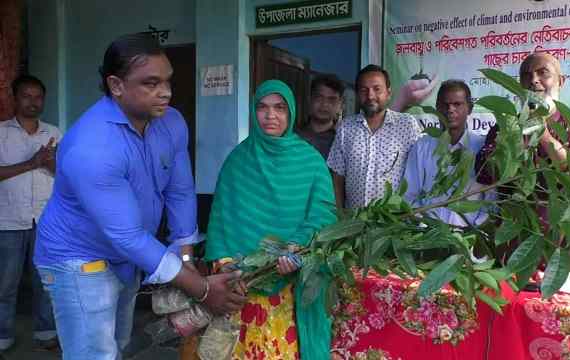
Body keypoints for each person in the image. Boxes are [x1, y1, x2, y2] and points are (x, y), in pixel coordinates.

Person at [33, 34, 246, 359]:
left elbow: (180, 190)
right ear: (116, 85)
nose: (166, 92)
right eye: (151, 83)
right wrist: (202, 290)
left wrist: (186, 260)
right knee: (94, 354)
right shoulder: (92, 147)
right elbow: (128, 235)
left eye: (167, 81)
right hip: (77, 257)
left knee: (117, 347)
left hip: (127, 255)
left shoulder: (170, 122)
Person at [205, 80, 336, 360]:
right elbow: (220, 220)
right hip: (242, 288)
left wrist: (295, 247)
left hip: (291, 286)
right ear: (254, 112)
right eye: (262, 108)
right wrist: (227, 268)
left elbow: (323, 214)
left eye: (279, 108)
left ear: (290, 114)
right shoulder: (237, 161)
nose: (270, 115)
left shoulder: (311, 161)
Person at [475, 52, 570, 277]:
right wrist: (513, 141)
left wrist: (544, 135)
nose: (533, 80)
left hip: (564, 246)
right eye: (526, 76)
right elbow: (484, 174)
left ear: (560, 81)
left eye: (542, 73)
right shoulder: (504, 127)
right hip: (515, 243)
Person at [0, 75, 59, 352]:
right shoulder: (1, 133)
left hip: (46, 220)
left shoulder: (55, 133)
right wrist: (32, 163)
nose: (33, 102)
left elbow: (68, 175)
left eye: (38, 97)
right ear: (15, 98)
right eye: (27, 96)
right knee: (5, 285)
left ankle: (46, 332)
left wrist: (51, 165)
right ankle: (3, 336)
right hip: (7, 221)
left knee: (46, 281)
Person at [327, 64, 432, 208]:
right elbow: (337, 177)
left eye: (377, 89)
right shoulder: (346, 128)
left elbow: (423, 170)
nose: (370, 96)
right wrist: (339, 216)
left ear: (388, 93)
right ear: (358, 94)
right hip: (353, 223)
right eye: (364, 90)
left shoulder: (407, 125)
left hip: (394, 223)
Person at [404, 80, 492, 226]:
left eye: (457, 104)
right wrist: (423, 227)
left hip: (470, 238)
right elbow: (410, 195)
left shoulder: (482, 147)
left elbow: (490, 197)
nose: (450, 110)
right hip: (428, 235)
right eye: (445, 105)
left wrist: (476, 229)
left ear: (470, 108)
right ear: (437, 108)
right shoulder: (421, 147)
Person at [296, 73, 344, 159]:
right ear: (310, 99)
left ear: (340, 104)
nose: (324, 104)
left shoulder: (342, 142)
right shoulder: (293, 136)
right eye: (319, 97)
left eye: (331, 99)